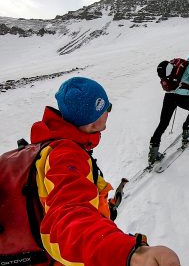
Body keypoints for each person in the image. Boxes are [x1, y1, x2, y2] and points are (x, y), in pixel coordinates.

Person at [31, 77, 180, 266]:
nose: (109, 111)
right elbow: (67, 220)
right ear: (93, 122)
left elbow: (72, 196)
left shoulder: (63, 146)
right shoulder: (66, 156)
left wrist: (105, 208)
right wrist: (129, 254)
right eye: (107, 108)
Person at [149, 51, 189, 164]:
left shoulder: (181, 65)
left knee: (163, 123)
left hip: (169, 95)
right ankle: (186, 134)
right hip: (181, 96)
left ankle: (153, 153)